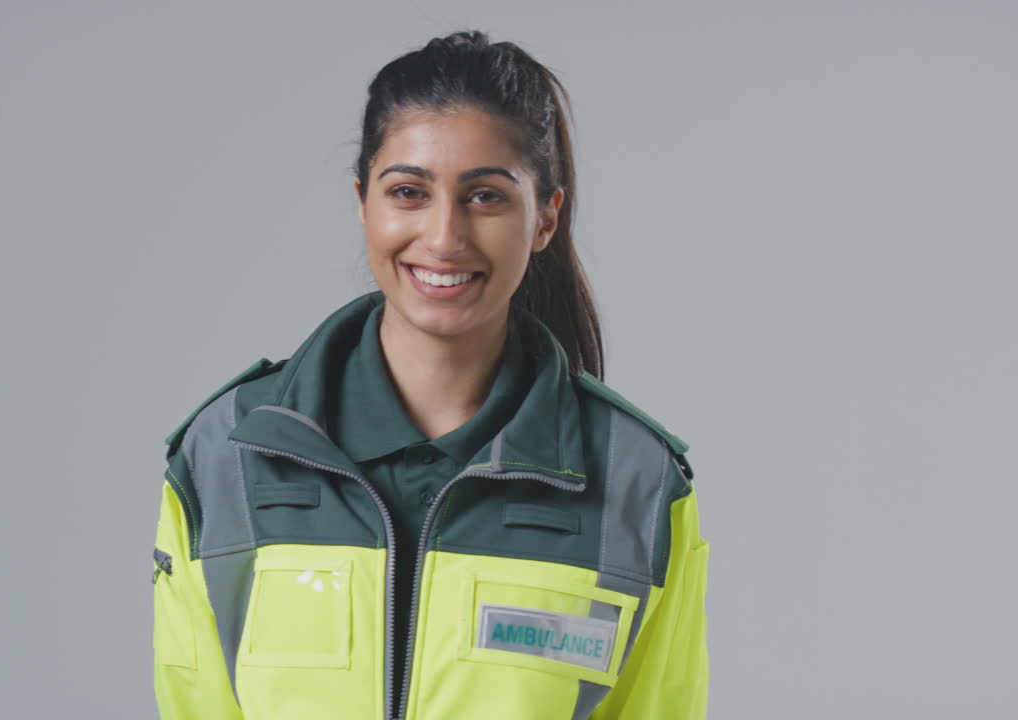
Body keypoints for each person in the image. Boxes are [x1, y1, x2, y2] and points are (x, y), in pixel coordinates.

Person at [151, 30, 709, 720]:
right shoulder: (229, 455)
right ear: (364, 203)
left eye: (486, 197)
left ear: (545, 219)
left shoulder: (636, 482)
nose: (444, 237)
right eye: (409, 191)